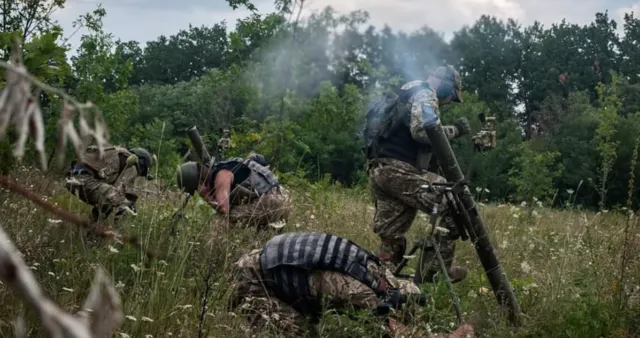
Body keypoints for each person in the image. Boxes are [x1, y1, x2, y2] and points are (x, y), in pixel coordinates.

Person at [229, 231, 475, 337]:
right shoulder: (360, 292)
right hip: (251, 279)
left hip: (278, 261)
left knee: (406, 296)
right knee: (299, 332)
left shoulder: (377, 273)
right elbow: (398, 332)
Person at [365, 65, 471, 283]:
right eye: (452, 94)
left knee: (391, 235)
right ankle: (434, 274)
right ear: (445, 85)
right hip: (399, 170)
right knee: (451, 202)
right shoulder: (425, 94)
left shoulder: (405, 92)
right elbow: (423, 131)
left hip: (380, 169)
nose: (450, 100)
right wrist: (456, 131)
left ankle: (382, 285)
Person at [176, 152, 291, 229]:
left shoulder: (221, 175)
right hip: (283, 198)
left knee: (219, 223)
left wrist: (206, 196)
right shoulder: (226, 166)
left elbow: (223, 209)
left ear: (200, 182)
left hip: (271, 202)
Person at [64, 145, 153, 222]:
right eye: (140, 173)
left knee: (106, 203)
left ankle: (92, 234)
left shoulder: (116, 153)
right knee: (120, 203)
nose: (137, 175)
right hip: (85, 179)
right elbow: (125, 192)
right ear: (142, 164)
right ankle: (98, 236)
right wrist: (131, 208)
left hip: (73, 177)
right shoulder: (132, 163)